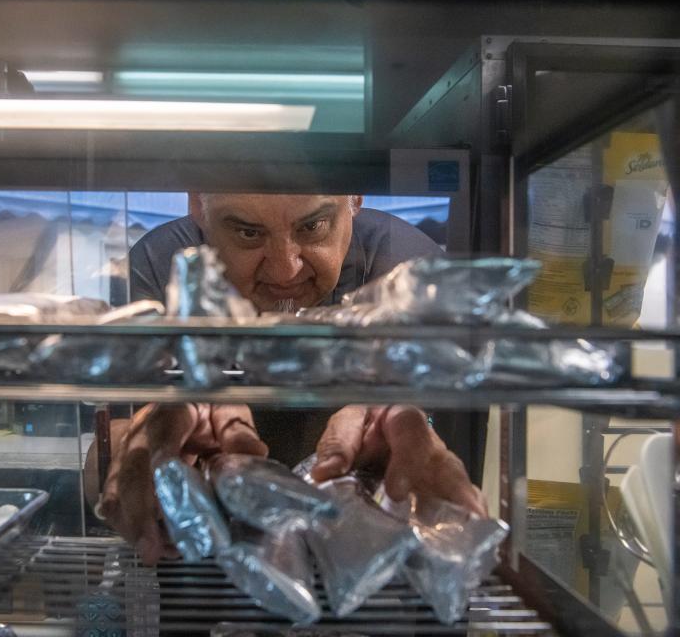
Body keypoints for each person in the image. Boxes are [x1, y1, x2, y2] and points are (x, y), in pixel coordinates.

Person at [94, 193, 486, 565]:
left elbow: (438, 435)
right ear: (198, 204)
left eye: (314, 226)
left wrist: (393, 415)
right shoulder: (161, 263)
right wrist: (144, 443)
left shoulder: (406, 267)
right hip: (205, 559)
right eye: (248, 232)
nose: (285, 270)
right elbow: (99, 462)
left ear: (355, 197)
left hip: (370, 560)